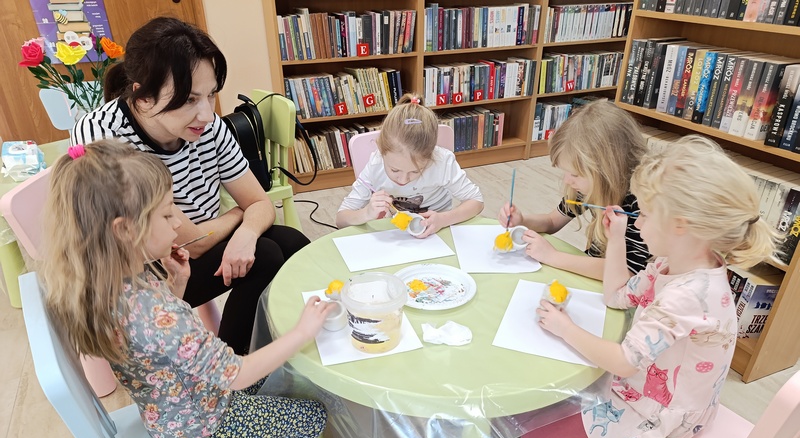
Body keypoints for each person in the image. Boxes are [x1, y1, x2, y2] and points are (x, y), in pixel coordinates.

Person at [40, 140, 334, 438]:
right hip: (202, 428)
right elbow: (237, 374)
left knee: (280, 376)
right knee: (311, 415)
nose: (178, 223)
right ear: (125, 229)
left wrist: (176, 286)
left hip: (176, 412)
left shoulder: (115, 282)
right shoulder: (153, 313)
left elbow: (158, 346)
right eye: (167, 215)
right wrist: (301, 332)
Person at [520, 135, 777, 438]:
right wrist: (617, 239)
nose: (636, 221)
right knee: (563, 384)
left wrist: (564, 327)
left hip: (659, 415)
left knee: (535, 437)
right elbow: (616, 295)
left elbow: (624, 363)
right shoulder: (675, 263)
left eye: (644, 213)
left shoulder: (686, 296)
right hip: (665, 394)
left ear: (680, 226)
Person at [71, 17, 309, 355]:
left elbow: (261, 204)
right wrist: (238, 216)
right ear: (143, 98)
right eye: (189, 100)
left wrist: (246, 232)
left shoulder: (209, 127)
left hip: (193, 244)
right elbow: (189, 242)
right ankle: (229, 363)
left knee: (292, 242)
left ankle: (292, 342)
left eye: (211, 95)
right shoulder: (104, 136)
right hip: (145, 274)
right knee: (265, 256)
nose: (207, 114)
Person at [498, 100, 650, 279]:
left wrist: (553, 256)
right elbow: (552, 221)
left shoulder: (641, 203)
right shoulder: (589, 187)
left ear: (606, 172)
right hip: (593, 272)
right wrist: (523, 220)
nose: (567, 180)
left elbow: (628, 272)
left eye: (575, 174)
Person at [336, 94, 483, 236]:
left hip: (437, 231)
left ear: (431, 155)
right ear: (381, 150)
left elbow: (476, 201)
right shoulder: (376, 164)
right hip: (394, 232)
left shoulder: (442, 161)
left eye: (415, 171)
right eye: (394, 170)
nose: (403, 180)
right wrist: (366, 213)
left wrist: (444, 219)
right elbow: (341, 219)